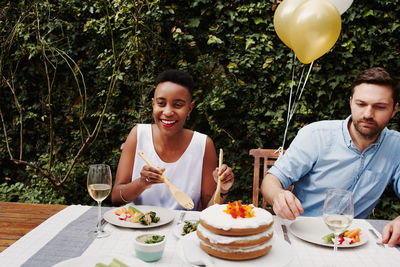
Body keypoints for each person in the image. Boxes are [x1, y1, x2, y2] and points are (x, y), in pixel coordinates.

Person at [261, 67, 400, 246]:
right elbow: (271, 180)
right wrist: (278, 195)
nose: (368, 114)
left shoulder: (396, 146)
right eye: (361, 104)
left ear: (394, 110)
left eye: (380, 107)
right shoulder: (316, 135)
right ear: (351, 102)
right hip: (300, 234)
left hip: (352, 242)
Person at [111, 69, 234, 210]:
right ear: (153, 104)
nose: (168, 112)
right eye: (161, 104)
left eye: (178, 105)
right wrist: (141, 183)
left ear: (190, 108)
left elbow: (208, 210)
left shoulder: (203, 144)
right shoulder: (138, 134)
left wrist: (223, 190)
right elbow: (115, 198)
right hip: (137, 226)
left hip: (182, 230)